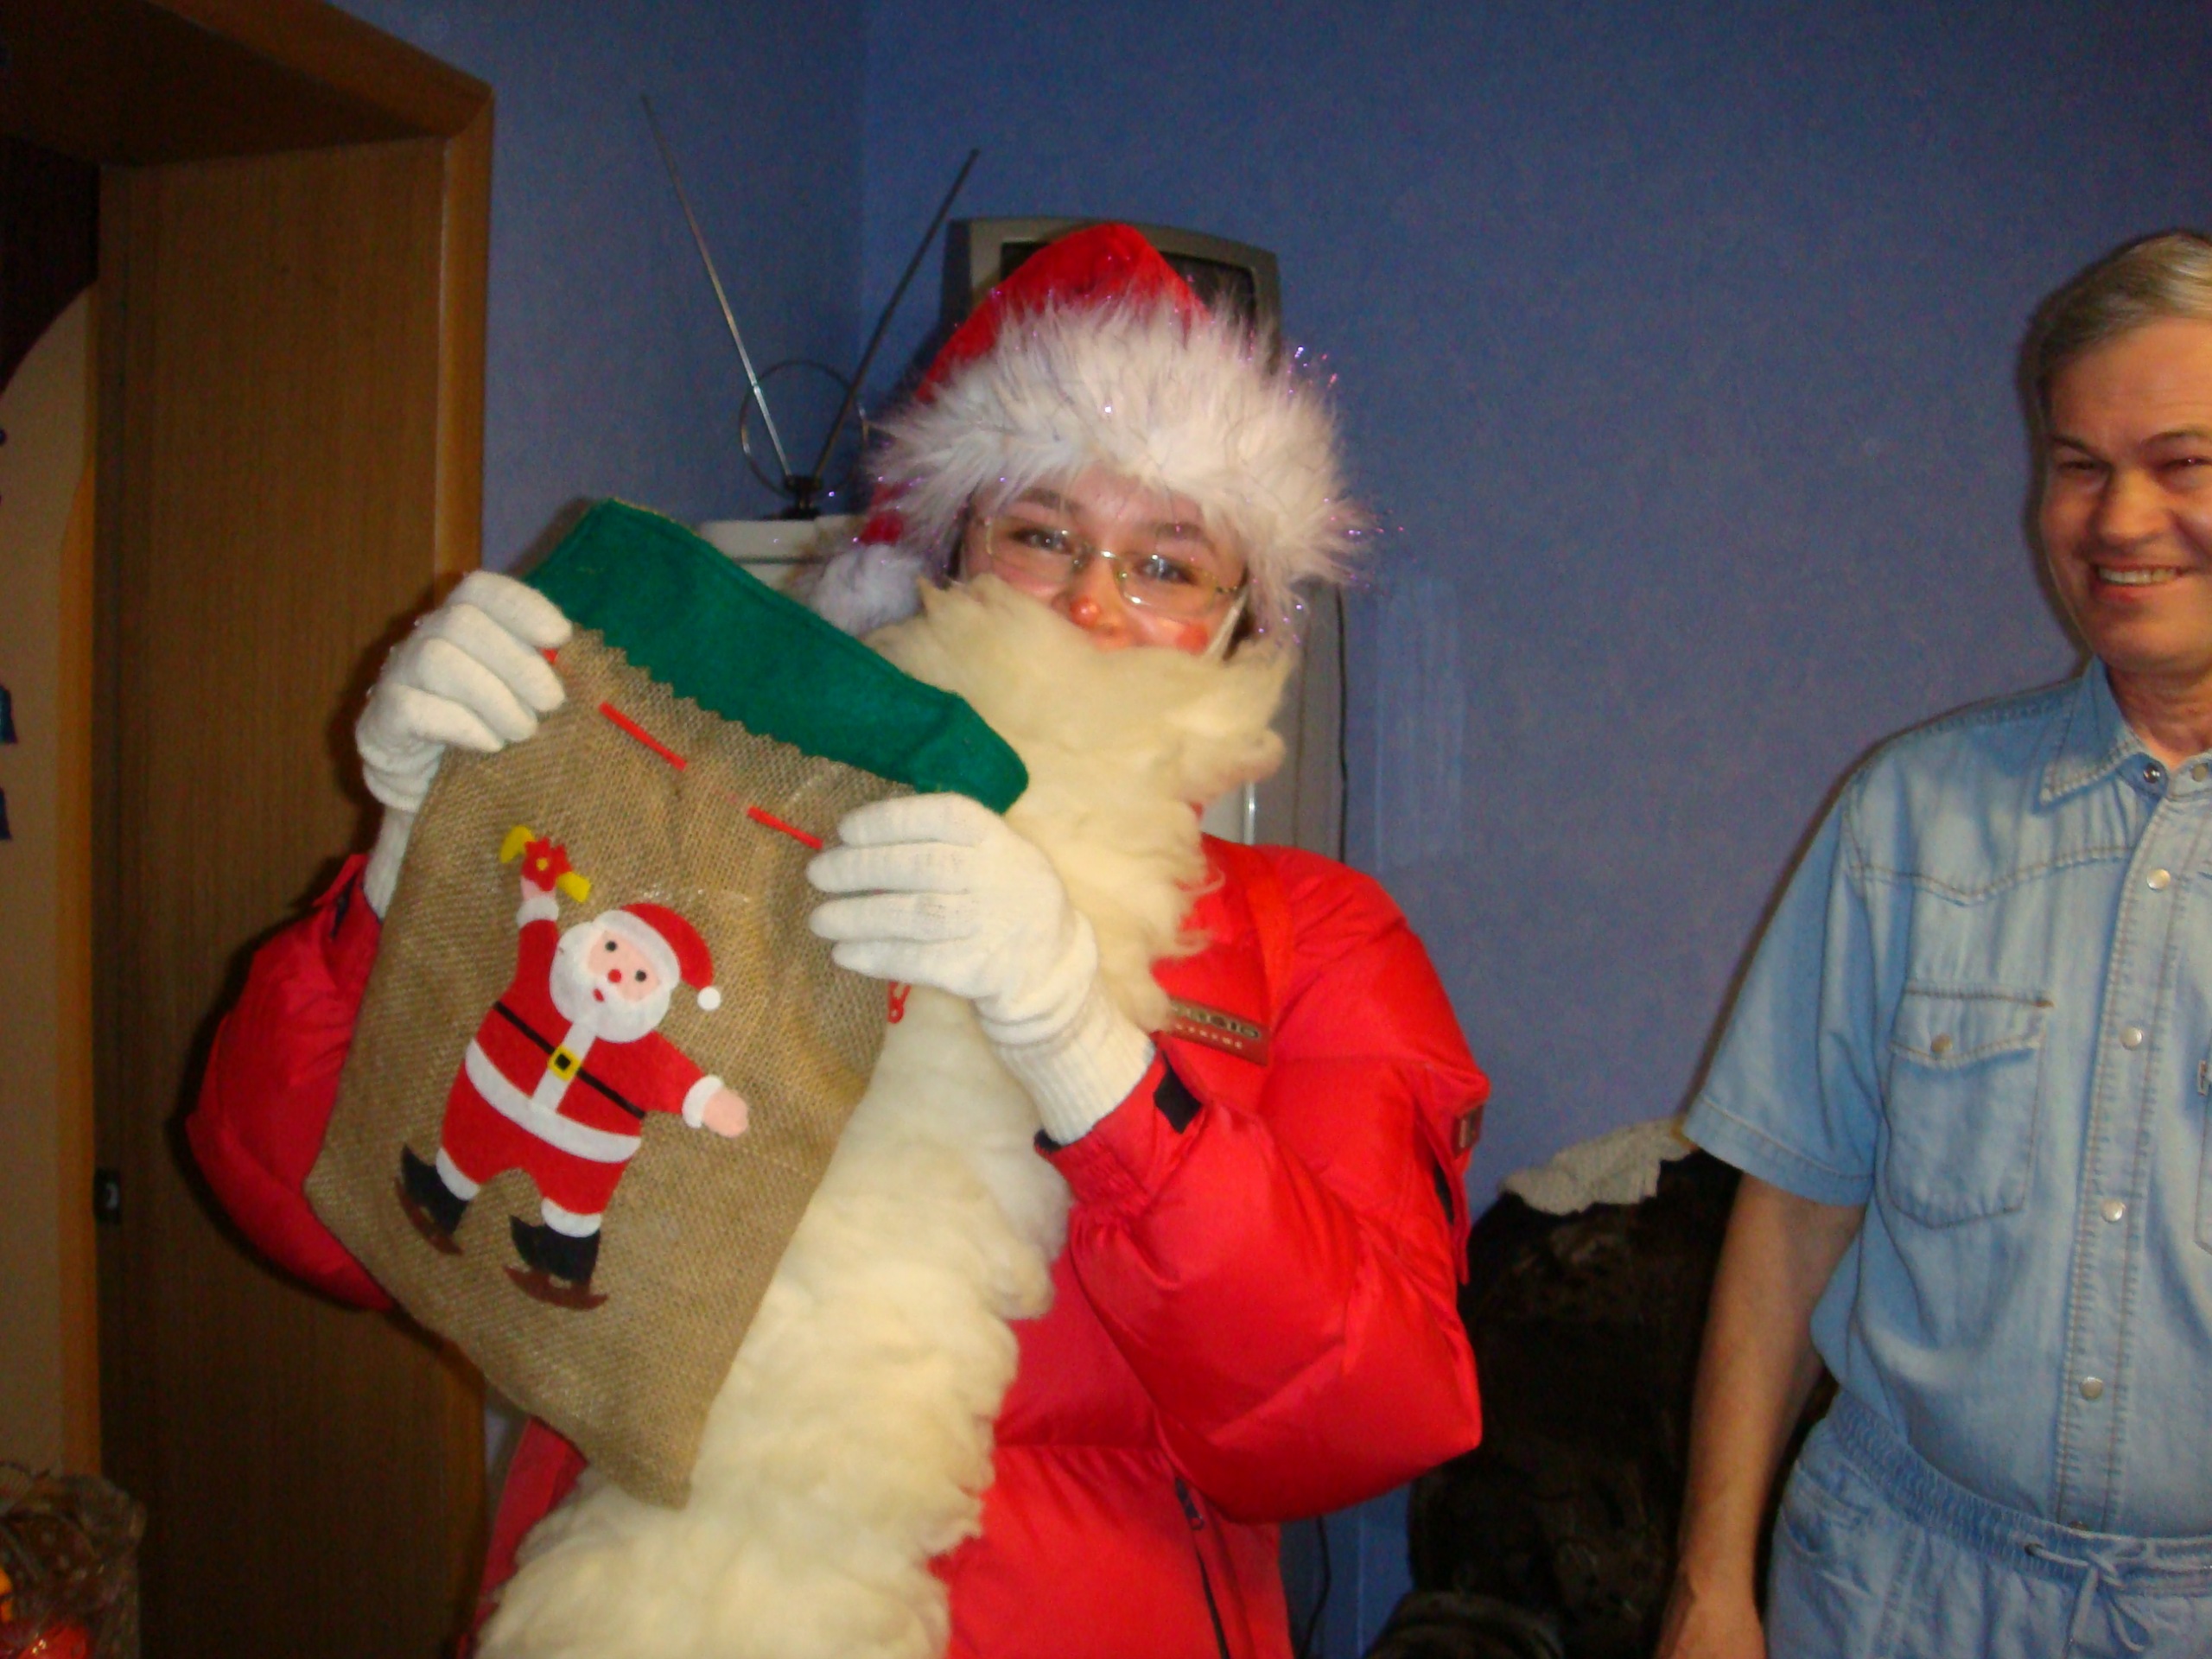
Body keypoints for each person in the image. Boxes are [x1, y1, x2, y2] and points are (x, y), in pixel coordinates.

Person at [188, 223, 1488, 1659]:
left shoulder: (1316, 935)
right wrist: (412, 863)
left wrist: (1090, 1062)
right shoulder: (722, 822)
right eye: (1044, 534)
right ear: (949, 551)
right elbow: (318, 1212)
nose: (1096, 604)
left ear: (1238, 619)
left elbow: (1368, 1413)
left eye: (1169, 562)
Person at [1658, 231, 2212, 1658]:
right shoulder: (1910, 816)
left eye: (2182, 463)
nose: (2119, 517)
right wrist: (1711, 1589)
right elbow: (1792, 1222)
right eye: (2078, 465)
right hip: (1894, 1586)